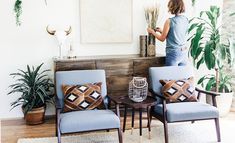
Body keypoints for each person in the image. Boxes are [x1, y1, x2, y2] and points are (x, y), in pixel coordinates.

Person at [147, 0, 189, 66]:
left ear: (172, 7)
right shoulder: (185, 19)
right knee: (182, 75)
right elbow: (177, 34)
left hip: (173, 53)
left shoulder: (169, 21)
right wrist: (162, 31)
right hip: (183, 52)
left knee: (171, 75)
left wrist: (152, 32)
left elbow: (162, 39)